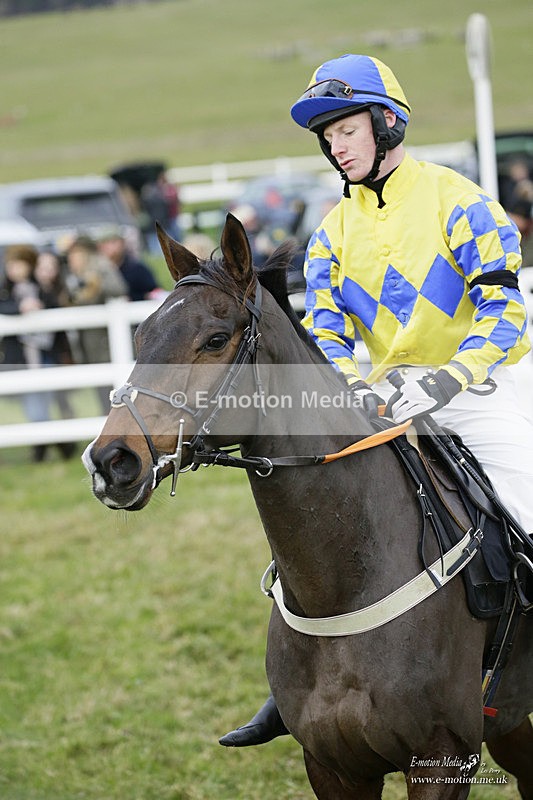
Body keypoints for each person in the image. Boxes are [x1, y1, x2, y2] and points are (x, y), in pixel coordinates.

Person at [219, 53, 533, 748]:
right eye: (326, 136)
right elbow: (325, 335)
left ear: (386, 123)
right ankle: (300, 681)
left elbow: (504, 312)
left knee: (527, 502)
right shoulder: (330, 233)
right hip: (387, 394)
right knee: (322, 518)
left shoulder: (459, 200)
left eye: (345, 129)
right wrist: (362, 386)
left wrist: (448, 377)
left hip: (480, 385)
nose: (335, 145)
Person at [96, 227, 161, 301]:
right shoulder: (96, 270)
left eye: (113, 242)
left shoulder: (137, 269)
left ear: (123, 243)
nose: (108, 247)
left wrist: (132, 298)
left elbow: (155, 293)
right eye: (104, 243)